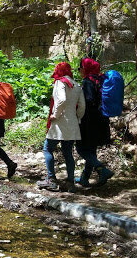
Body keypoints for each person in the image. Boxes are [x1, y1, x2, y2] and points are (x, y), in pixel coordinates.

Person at [37, 62, 86, 193]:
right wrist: (78, 117)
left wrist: (55, 114)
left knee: (47, 149)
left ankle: (51, 180)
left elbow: (62, 99)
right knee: (68, 153)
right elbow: (82, 106)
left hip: (59, 123)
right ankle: (71, 183)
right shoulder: (76, 85)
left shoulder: (60, 82)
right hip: (72, 123)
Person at [75, 58, 114, 187]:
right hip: (102, 118)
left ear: (85, 68)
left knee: (81, 148)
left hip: (90, 121)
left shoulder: (87, 81)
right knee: (91, 149)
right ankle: (84, 178)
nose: (79, 70)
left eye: (80, 67)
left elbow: (89, 100)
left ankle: (102, 169)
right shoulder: (101, 79)